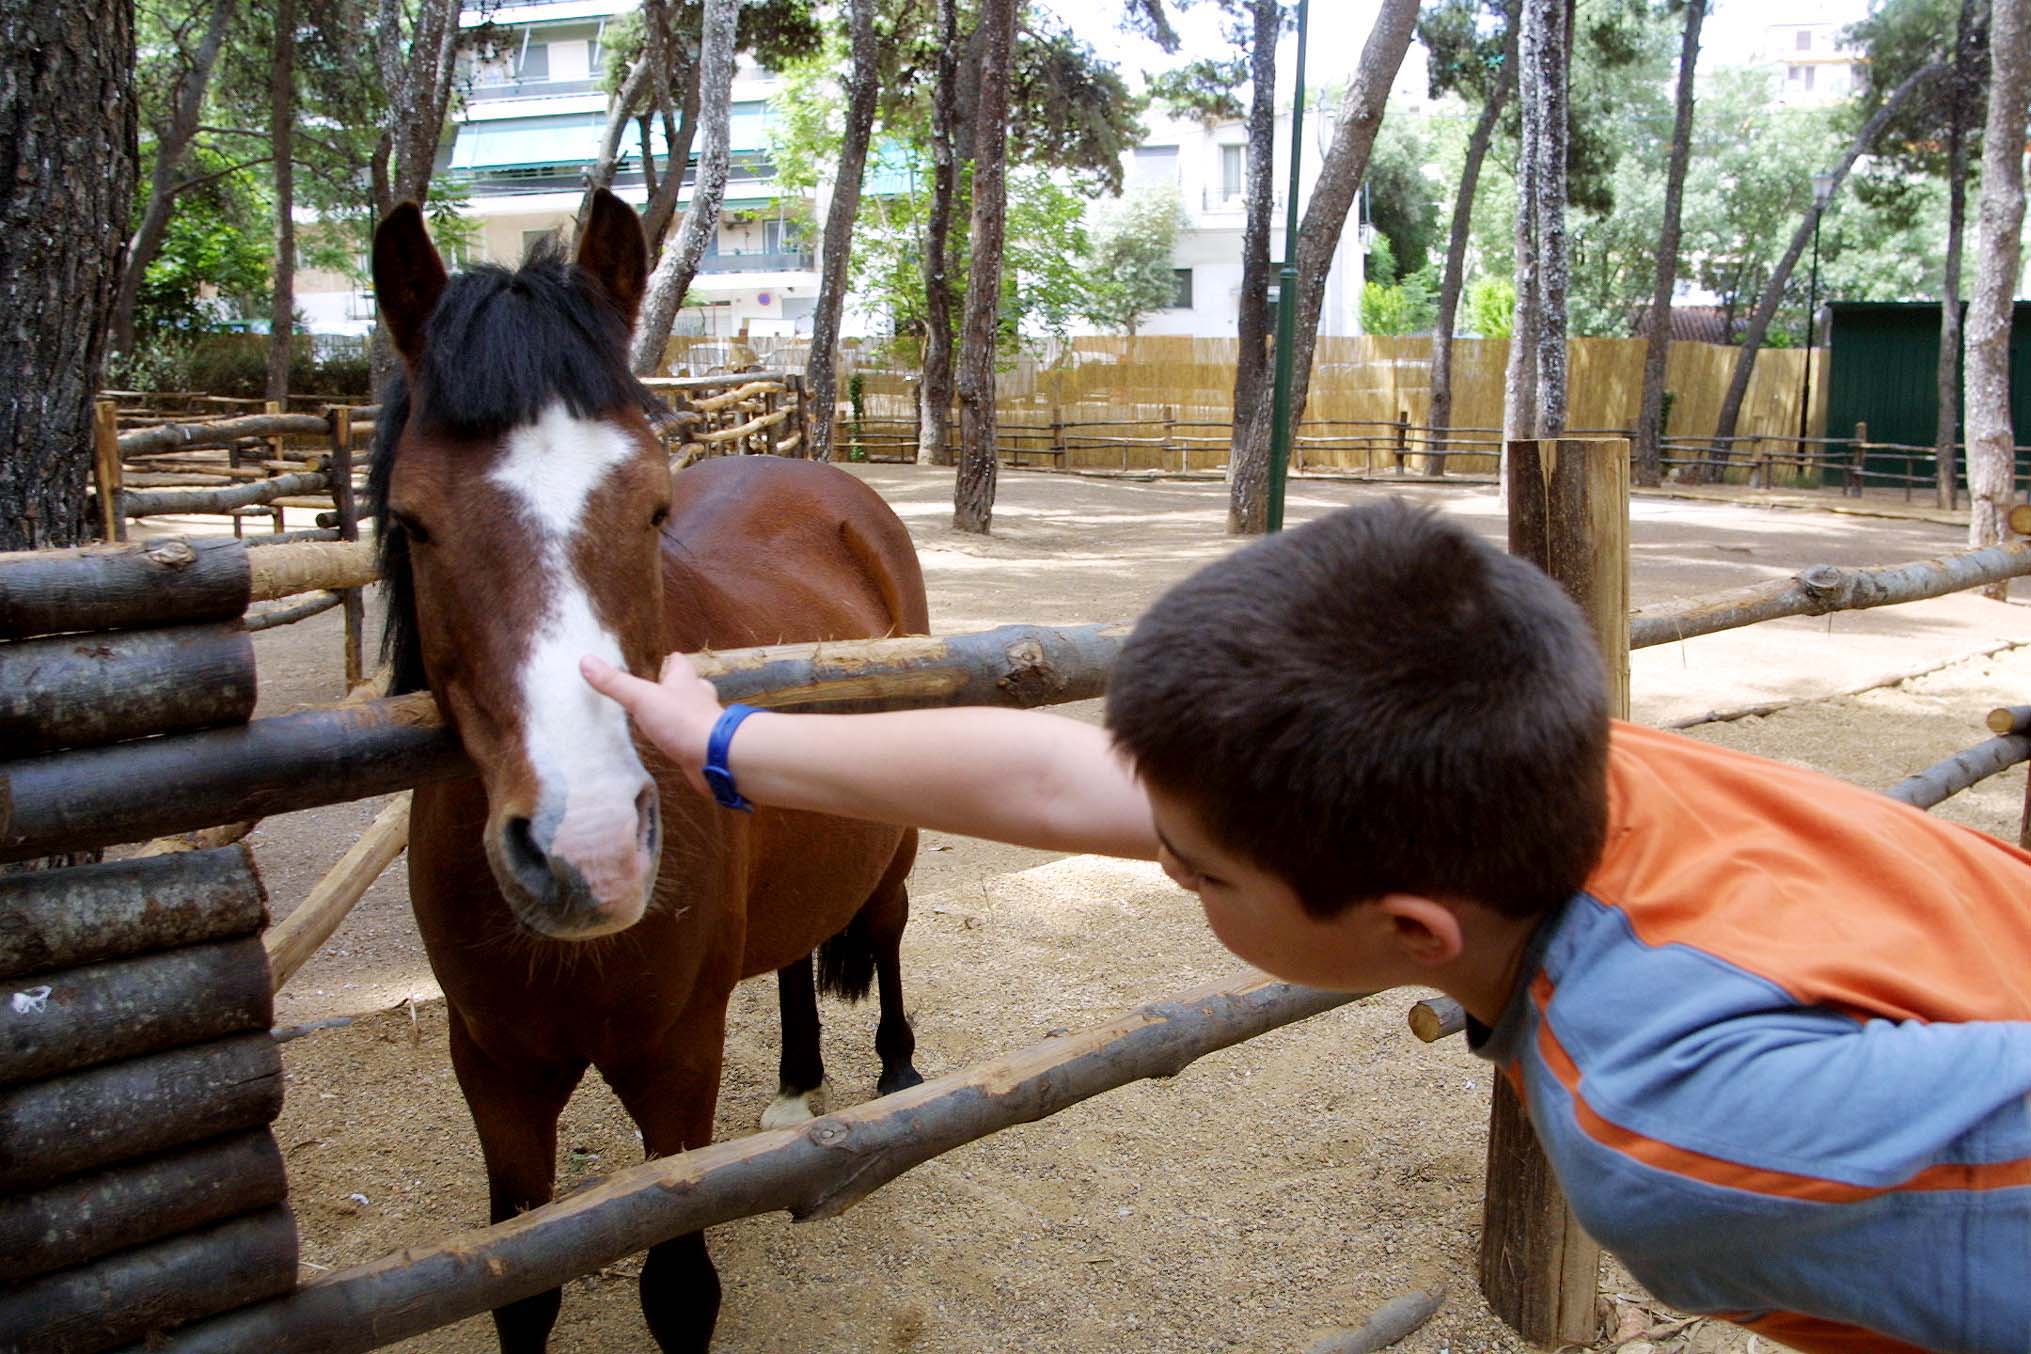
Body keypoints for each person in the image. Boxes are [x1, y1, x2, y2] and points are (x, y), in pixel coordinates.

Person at [581, 499, 2031, 1354]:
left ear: (1409, 931)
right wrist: (725, 744)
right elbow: (1053, 772)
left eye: (1200, 874)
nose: (1165, 869)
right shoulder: (1574, 773)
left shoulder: (1672, 1122)